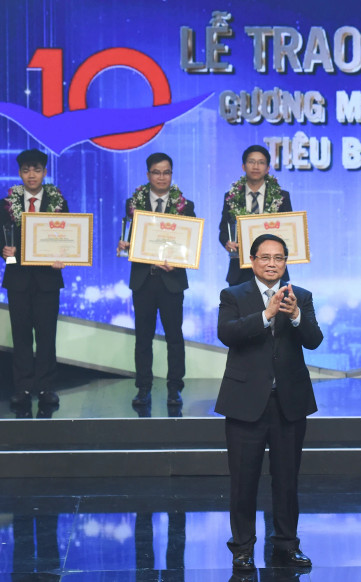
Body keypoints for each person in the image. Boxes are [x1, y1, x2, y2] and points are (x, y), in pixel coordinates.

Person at [215, 233, 322, 571]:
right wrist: (265, 314)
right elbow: (226, 333)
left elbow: (315, 340)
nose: (272, 263)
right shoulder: (233, 295)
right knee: (243, 481)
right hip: (246, 401)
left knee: (287, 480)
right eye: (265, 257)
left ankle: (287, 545)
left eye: (278, 258)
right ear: (252, 261)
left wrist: (293, 317)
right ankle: (243, 549)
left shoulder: (300, 297)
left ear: (286, 262)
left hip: (289, 402)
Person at [117, 153, 195, 407]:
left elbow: (189, 244)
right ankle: (143, 388)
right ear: (147, 174)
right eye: (156, 172)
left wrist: (180, 258)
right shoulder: (133, 203)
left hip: (172, 280)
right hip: (143, 280)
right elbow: (129, 238)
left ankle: (175, 389)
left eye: (166, 172)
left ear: (172, 174)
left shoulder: (185, 205)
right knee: (143, 338)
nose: (162, 177)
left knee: (175, 337)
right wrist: (125, 245)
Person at [1, 148, 69, 410]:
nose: (32, 175)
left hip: (48, 279)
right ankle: (22, 388)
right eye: (27, 170)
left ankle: (46, 388)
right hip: (17, 279)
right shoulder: (6, 205)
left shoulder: (58, 202)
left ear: (45, 172)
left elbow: (68, 236)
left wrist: (63, 255)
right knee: (20, 336)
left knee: (46, 335)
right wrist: (3, 250)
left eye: (37, 170)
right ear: (20, 173)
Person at [219, 145, 291, 286]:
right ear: (243, 167)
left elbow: (288, 231)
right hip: (239, 271)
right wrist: (227, 242)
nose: (256, 166)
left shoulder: (282, 197)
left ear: (268, 168)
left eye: (261, 162)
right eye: (251, 162)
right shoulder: (231, 197)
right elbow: (223, 230)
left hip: (272, 270)